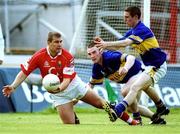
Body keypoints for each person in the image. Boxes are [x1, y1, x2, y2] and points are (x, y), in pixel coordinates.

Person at [2, 31, 138, 125]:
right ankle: (74, 117)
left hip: (73, 84)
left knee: (101, 105)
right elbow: (24, 72)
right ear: (48, 43)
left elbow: (67, 79)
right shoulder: (38, 56)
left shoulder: (67, 56)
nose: (60, 44)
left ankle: (130, 121)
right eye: (56, 42)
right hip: (58, 93)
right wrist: (13, 86)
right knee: (69, 125)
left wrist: (58, 88)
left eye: (61, 41)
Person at [94, 6, 169, 122]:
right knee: (143, 86)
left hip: (158, 66)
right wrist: (103, 45)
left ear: (136, 17)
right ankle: (161, 108)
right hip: (150, 66)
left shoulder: (142, 30)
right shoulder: (133, 31)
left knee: (135, 87)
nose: (125, 20)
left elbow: (125, 43)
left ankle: (119, 110)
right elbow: (118, 45)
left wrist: (106, 44)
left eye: (127, 17)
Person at [87, 41, 166, 124]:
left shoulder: (109, 57)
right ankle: (156, 118)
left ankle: (138, 118)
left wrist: (126, 68)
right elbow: (90, 87)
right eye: (89, 54)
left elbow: (131, 57)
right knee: (130, 108)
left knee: (125, 91)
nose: (92, 56)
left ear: (101, 51)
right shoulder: (96, 68)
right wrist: (80, 96)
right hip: (130, 81)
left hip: (140, 73)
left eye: (94, 52)